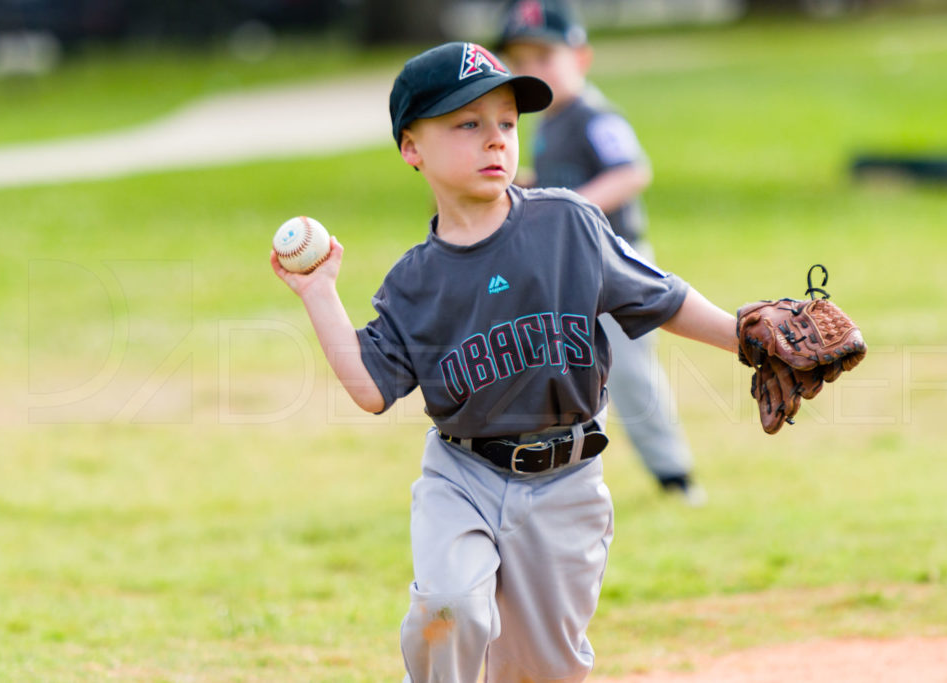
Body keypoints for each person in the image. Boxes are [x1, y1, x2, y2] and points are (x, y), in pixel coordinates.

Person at [271, 40, 740, 682]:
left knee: (542, 670)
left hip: (567, 480)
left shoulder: (566, 224)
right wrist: (319, 293)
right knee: (449, 607)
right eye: (467, 124)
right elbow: (370, 388)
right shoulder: (415, 282)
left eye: (507, 124)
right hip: (462, 475)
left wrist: (749, 337)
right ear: (412, 147)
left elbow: (662, 298)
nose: (495, 140)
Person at [496, 0, 706, 504]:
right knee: (557, 370)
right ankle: (552, 476)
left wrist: (570, 206)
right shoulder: (546, 123)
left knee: (630, 373)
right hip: (566, 271)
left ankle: (674, 473)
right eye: (521, 61)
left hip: (619, 265)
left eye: (546, 57)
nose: (533, 71)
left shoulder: (594, 113)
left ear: (581, 57)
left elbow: (632, 171)